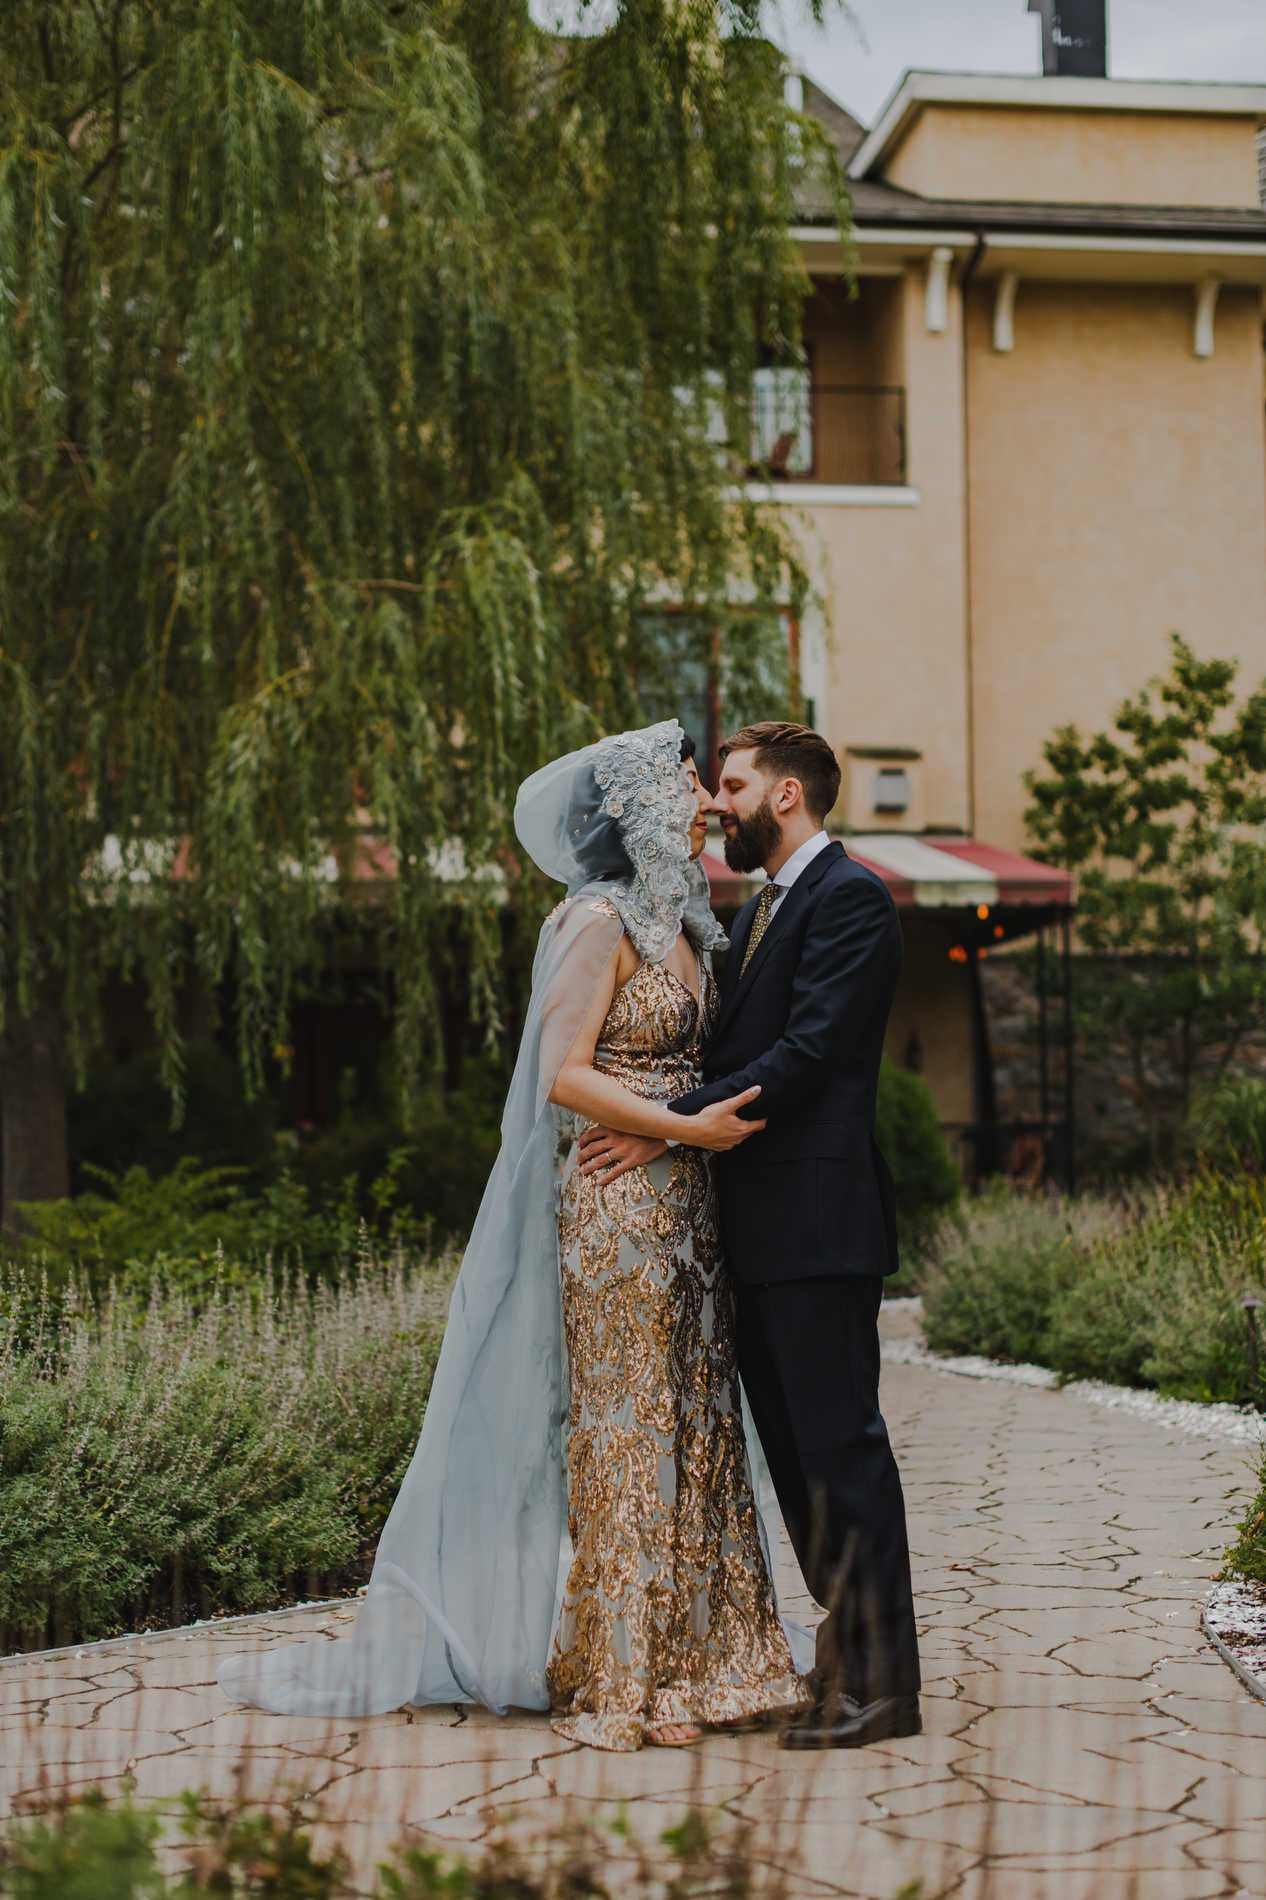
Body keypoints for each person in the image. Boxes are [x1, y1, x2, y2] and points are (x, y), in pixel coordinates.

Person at [216, 718, 813, 1751]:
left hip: (688, 1207)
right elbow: (565, 1075)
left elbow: (697, 1061)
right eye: (683, 779)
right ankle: (625, 1673)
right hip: (616, 1209)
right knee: (630, 1431)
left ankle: (712, 1660)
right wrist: (677, 1130)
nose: (702, 795)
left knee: (699, 1421)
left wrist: (686, 1141)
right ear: (633, 804)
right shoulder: (595, 918)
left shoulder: (692, 920)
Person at [579, 721, 921, 1750]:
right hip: (762, 1235)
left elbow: (809, 1048)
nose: (715, 803)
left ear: (786, 796)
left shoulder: (848, 897)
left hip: (818, 1229)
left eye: (730, 785)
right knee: (799, 1458)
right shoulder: (763, 908)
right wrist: (673, 1123)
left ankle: (884, 1683)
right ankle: (843, 1653)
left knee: (842, 1456)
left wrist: (667, 1129)